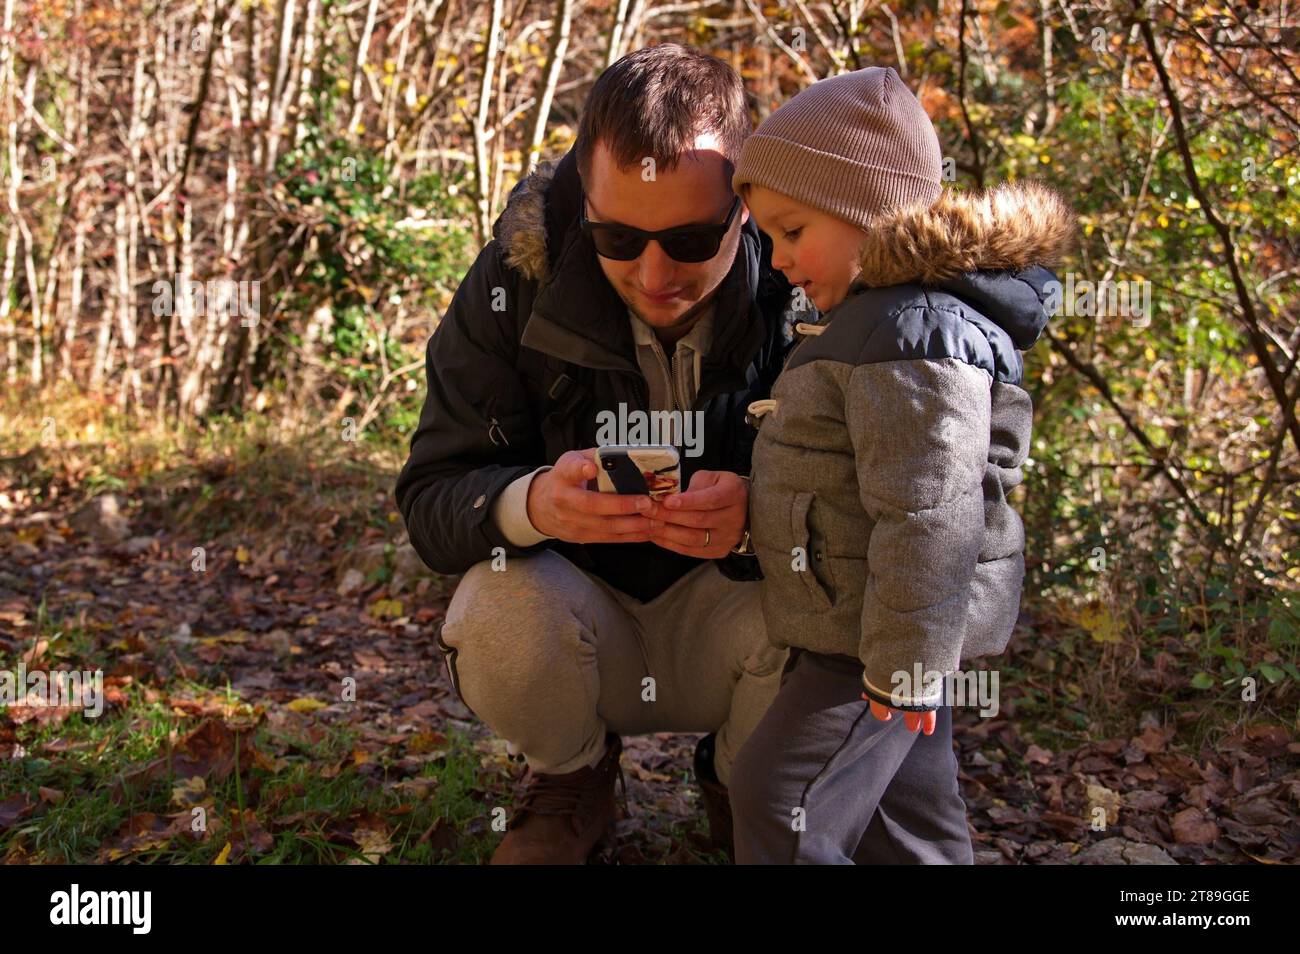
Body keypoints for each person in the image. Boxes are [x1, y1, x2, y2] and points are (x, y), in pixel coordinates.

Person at [395, 44, 802, 864]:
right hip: (582, 617)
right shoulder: (517, 281)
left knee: (840, 599)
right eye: (618, 236)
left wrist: (763, 516)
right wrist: (533, 503)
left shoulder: (808, 285)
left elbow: (881, 507)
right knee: (497, 603)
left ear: (747, 208)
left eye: (690, 238)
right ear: (584, 199)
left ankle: (744, 783)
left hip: (741, 615)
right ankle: (572, 779)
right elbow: (433, 502)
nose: (654, 275)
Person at [728, 66, 1074, 863]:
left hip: (872, 644)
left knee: (781, 799)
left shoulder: (910, 333)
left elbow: (931, 513)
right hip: (879, 633)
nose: (777, 259)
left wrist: (908, 666)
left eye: (792, 230)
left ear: (869, 213)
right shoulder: (875, 323)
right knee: (905, 820)